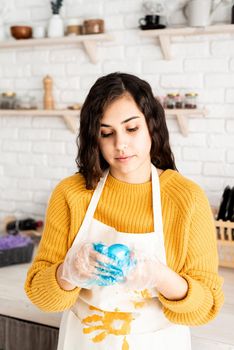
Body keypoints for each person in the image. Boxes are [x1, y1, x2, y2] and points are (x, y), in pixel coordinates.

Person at [25, 72, 224, 350]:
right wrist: (67, 273)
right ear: (95, 138)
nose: (120, 144)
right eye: (106, 133)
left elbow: (206, 308)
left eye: (132, 129)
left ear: (151, 126)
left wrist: (160, 276)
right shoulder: (71, 194)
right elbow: (39, 295)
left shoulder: (186, 199)